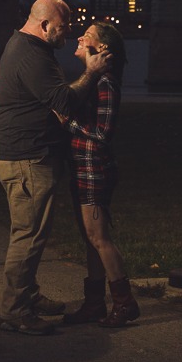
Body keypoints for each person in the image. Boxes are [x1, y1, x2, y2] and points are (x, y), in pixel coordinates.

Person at [0, 0, 109, 335]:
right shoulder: (30, 54)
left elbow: (53, 98)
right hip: (26, 157)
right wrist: (92, 71)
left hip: (27, 154)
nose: (68, 33)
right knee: (28, 235)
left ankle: (27, 295)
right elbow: (63, 101)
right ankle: (14, 312)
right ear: (43, 25)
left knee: (32, 233)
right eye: (62, 27)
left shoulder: (32, 49)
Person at [58, 21, 139, 327]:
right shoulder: (93, 78)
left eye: (87, 36)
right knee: (90, 238)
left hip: (94, 168)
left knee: (99, 237)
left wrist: (67, 123)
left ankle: (124, 303)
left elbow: (103, 132)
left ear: (101, 48)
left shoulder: (105, 82)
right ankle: (94, 305)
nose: (79, 37)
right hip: (82, 165)